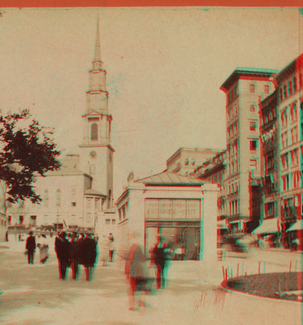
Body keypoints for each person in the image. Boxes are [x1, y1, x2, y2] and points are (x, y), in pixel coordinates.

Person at [125, 232, 149, 311]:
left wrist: (127, 271)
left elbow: (129, 260)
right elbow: (144, 259)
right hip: (142, 270)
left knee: (132, 289)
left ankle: (132, 305)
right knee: (141, 287)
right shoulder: (142, 246)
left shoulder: (133, 247)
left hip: (134, 270)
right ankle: (141, 302)